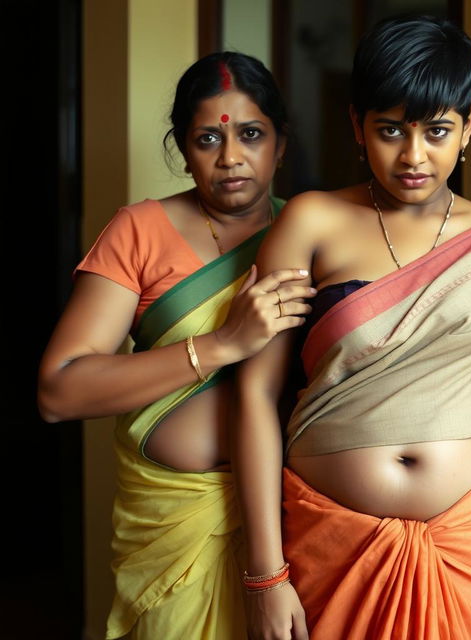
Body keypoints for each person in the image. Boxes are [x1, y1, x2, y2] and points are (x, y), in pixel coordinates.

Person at [234, 15, 471, 640]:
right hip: (334, 542)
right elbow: (253, 395)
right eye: (390, 130)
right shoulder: (312, 221)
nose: (414, 157)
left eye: (437, 131)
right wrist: (265, 575)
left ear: (469, 126)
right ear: (356, 125)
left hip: (470, 548)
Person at [37, 51, 316, 640]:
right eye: (207, 138)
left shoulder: (311, 234)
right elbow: (59, 392)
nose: (231, 156)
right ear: (184, 150)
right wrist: (221, 345)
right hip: (170, 525)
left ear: (281, 144)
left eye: (251, 134)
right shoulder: (138, 230)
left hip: (289, 522)